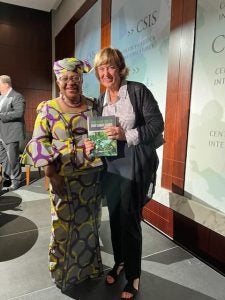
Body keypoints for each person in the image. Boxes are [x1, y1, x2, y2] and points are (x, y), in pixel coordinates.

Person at [84, 47, 164, 299]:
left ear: (119, 68)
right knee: (115, 218)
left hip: (134, 162)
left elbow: (157, 124)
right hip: (110, 166)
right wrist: (91, 145)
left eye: (110, 67)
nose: (106, 73)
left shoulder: (137, 91)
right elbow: (98, 136)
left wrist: (125, 134)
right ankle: (119, 262)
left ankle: (134, 275)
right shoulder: (99, 101)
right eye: (101, 68)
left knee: (130, 220)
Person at [21, 57, 104, 291]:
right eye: (65, 79)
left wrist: (99, 144)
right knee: (63, 227)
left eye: (75, 78)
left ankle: (90, 269)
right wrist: (50, 173)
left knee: (90, 224)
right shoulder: (48, 108)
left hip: (90, 178)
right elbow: (38, 142)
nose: (71, 83)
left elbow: (102, 140)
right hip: (62, 178)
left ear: (81, 80)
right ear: (58, 81)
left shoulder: (92, 105)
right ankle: (63, 275)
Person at [0, 75, 26, 191]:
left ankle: (17, 180)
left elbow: (19, 113)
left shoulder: (17, 96)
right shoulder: (1, 98)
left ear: (6, 84)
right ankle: (7, 179)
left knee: (12, 159)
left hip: (11, 133)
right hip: (1, 133)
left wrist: (1, 116)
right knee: (4, 159)